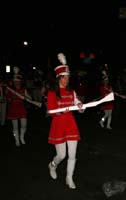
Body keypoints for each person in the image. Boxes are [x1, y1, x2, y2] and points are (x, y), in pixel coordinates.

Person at [47, 53, 84, 189]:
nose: (67, 79)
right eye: (65, 77)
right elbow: (51, 111)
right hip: (58, 124)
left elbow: (78, 103)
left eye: (68, 77)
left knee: (73, 154)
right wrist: (64, 110)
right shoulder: (52, 93)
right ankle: (52, 165)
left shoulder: (72, 92)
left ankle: (69, 177)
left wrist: (80, 106)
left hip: (70, 124)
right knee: (61, 155)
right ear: (59, 78)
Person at [6, 67, 31, 146]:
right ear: (13, 82)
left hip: (21, 107)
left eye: (18, 82)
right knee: (15, 126)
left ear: (20, 82)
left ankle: (21, 137)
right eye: (15, 82)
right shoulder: (10, 90)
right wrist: (11, 98)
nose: (17, 83)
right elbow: (8, 99)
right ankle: (17, 139)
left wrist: (26, 97)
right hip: (13, 108)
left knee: (24, 124)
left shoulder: (23, 89)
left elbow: (30, 98)